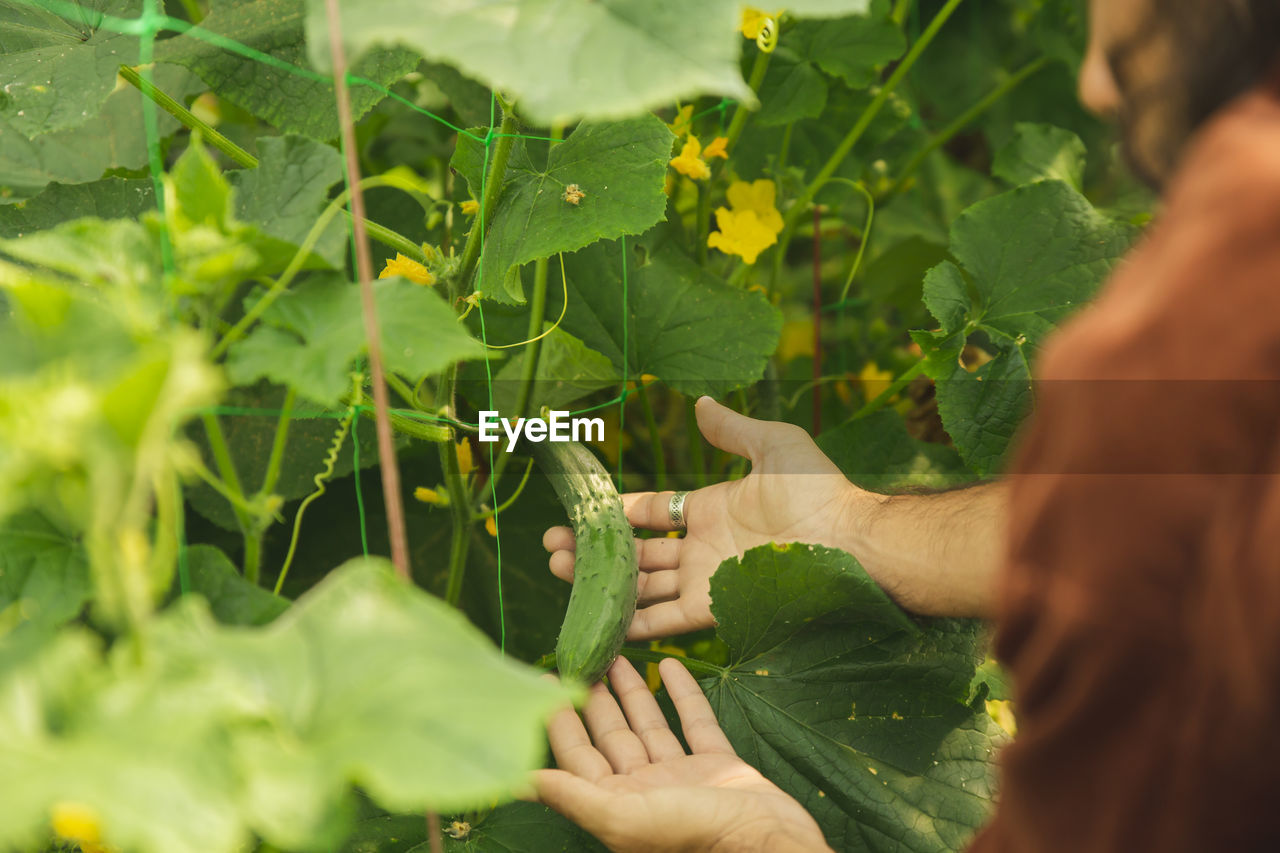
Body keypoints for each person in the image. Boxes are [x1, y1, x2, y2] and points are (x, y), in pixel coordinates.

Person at [534, 1, 1280, 850]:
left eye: (1142, 40)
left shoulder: (1219, 312)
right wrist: (853, 528)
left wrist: (764, 842)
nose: (1094, 84)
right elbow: (1171, 516)